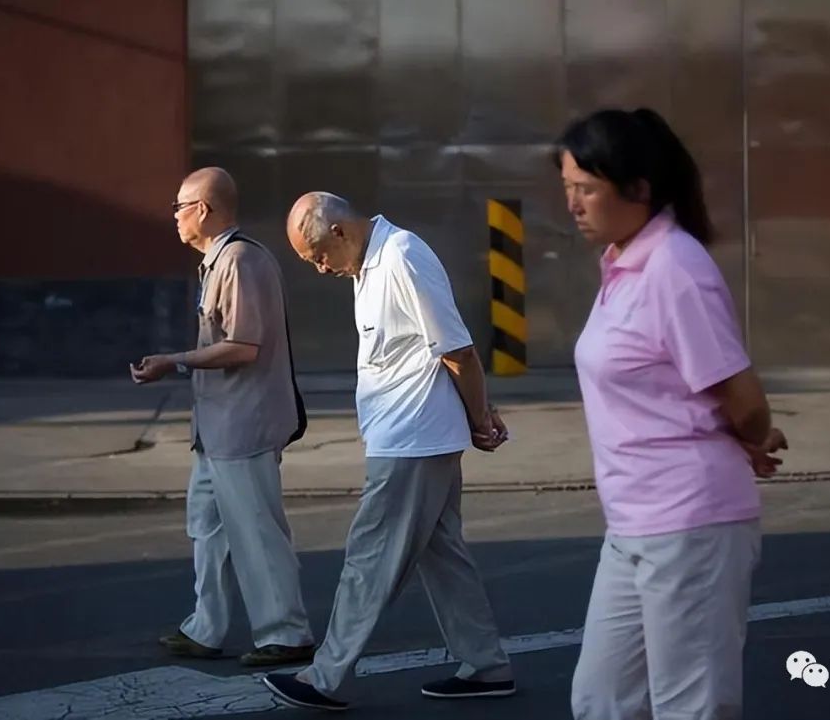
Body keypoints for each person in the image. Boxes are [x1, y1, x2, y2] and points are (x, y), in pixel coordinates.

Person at [555, 109, 789, 720]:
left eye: (586, 189)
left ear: (639, 188)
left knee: (691, 706)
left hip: (690, 524)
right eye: (567, 189)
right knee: (602, 700)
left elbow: (742, 396)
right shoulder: (622, 265)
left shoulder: (675, 269)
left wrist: (753, 436)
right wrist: (742, 432)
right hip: (632, 521)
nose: (574, 205)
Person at [261, 192, 515, 711]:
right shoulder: (369, 267)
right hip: (411, 437)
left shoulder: (401, 256)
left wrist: (480, 417)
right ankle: (487, 665)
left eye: (317, 257)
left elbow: (458, 350)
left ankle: (324, 677)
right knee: (443, 556)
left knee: (369, 558)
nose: (319, 269)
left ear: (338, 231)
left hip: (413, 441)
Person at [131, 167, 316, 668]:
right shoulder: (216, 262)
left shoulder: (238, 261)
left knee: (256, 529)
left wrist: (175, 359)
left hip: (244, 425)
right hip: (215, 427)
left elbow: (243, 346)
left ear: (204, 210)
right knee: (207, 528)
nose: (174, 217)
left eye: (179, 206)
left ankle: (287, 631)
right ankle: (205, 627)